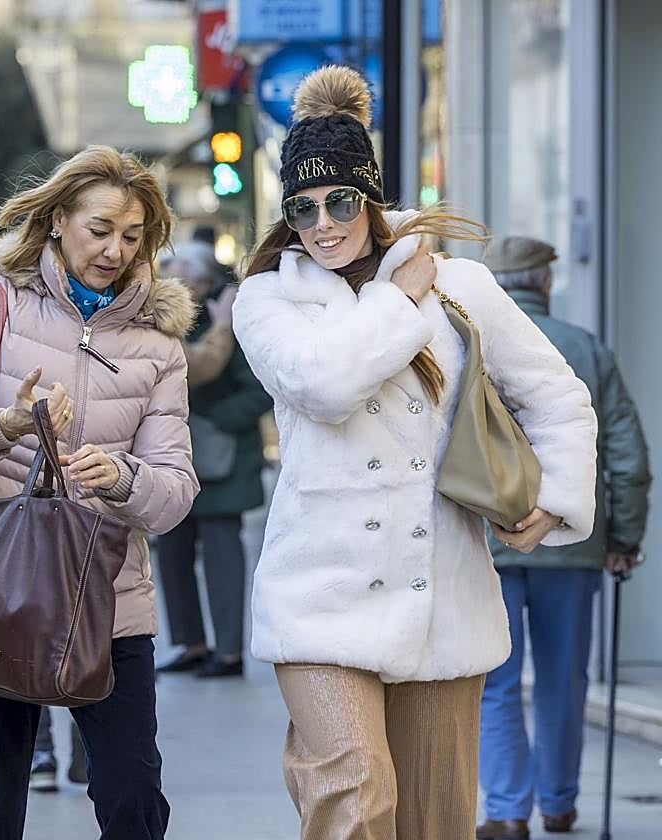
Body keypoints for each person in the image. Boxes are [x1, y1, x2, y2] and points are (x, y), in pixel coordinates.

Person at [231, 66, 598, 840]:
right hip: (319, 597)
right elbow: (323, 384)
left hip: (443, 598)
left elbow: (555, 394)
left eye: (339, 201)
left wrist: (556, 498)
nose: (323, 224)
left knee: (436, 822)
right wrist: (398, 298)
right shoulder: (267, 298)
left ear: (368, 197)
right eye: (302, 207)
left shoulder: (463, 286)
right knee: (355, 797)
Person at [0, 145, 198, 840]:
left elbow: (175, 491)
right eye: (100, 230)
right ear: (58, 220)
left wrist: (122, 478)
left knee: (133, 803)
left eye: (133, 236)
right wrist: (0, 426)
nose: (115, 251)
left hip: (110, 602)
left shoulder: (159, 344)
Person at [476, 236, 651, 840]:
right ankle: (558, 804)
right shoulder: (587, 350)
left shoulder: (472, 343)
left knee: (495, 682)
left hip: (491, 544)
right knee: (564, 680)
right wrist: (622, 537)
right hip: (573, 543)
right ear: (545, 282)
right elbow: (626, 455)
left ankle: (506, 810)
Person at [155, 241, 272, 678]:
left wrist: (215, 422)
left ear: (205, 279)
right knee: (172, 554)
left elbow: (260, 389)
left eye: (182, 265)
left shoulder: (234, 323)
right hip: (173, 455)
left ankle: (228, 650)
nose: (171, 272)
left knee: (223, 556)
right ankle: (191, 643)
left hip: (224, 461)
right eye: (168, 264)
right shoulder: (164, 322)